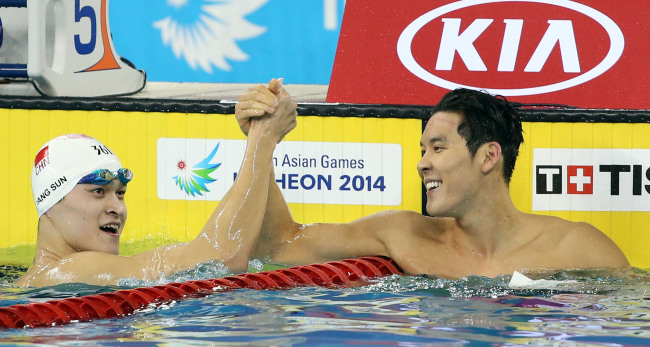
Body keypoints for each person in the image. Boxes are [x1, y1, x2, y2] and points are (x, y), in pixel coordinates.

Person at [239, 85, 630, 278]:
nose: (422, 164)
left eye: (438, 148)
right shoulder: (402, 234)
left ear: (489, 156)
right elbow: (278, 243)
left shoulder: (578, 248)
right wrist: (262, 139)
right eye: (423, 150)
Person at [16, 79, 297, 287]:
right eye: (98, 191)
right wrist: (264, 139)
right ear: (51, 201)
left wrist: (259, 138)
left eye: (121, 193)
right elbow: (221, 257)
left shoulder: (40, 280)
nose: (117, 208)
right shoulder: (67, 272)